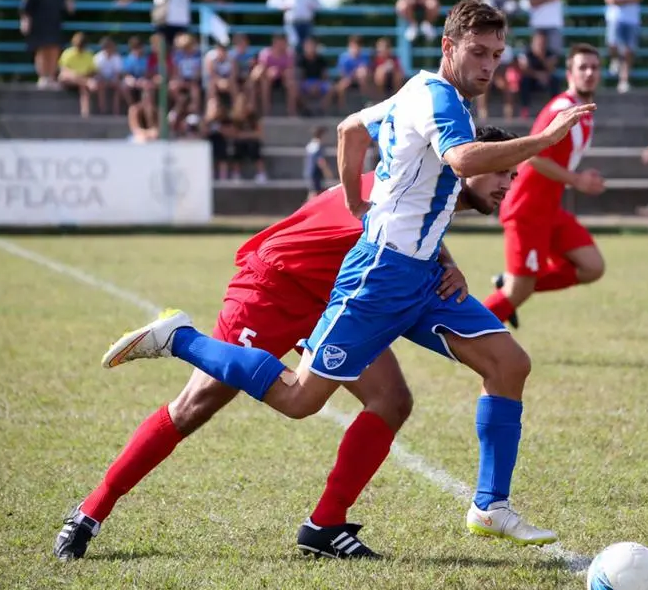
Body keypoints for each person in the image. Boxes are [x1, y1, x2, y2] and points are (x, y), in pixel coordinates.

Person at [93, 0, 595, 558]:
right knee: (295, 400)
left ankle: (486, 505)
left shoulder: (418, 96)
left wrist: (379, 217)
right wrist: (545, 140)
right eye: (479, 52)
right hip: (352, 279)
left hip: (416, 278)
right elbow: (458, 160)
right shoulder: (439, 101)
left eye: (497, 56)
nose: (489, 66)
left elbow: (351, 127)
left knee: (508, 364)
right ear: (449, 47)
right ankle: (179, 339)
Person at [53, 124, 518, 562]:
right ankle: (91, 509)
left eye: (513, 173)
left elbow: (415, 231)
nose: (508, 182)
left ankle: (325, 527)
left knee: (390, 400)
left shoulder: (428, 188)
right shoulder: (413, 184)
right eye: (500, 168)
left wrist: (447, 262)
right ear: (465, 162)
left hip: (337, 295)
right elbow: (388, 221)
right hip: (274, 283)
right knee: (198, 403)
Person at [484, 43, 606, 331]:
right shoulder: (561, 108)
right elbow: (534, 154)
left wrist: (577, 176)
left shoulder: (583, 111)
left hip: (549, 209)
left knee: (592, 267)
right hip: (527, 209)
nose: (589, 73)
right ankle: (461, 335)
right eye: (582, 67)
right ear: (569, 74)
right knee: (518, 291)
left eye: (594, 67)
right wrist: (576, 180)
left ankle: (509, 283)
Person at [20, 0, 74, 89]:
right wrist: (25, 21)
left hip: (54, 25)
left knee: (54, 51)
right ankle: (43, 77)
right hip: (39, 26)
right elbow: (25, 9)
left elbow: (65, 4)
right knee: (42, 52)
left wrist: (69, 4)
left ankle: (51, 76)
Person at [602, 0, 644, 94]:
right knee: (612, 44)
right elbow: (610, 0)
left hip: (632, 20)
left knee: (628, 51)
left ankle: (624, 80)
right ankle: (614, 60)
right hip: (615, 19)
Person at [251, 34, 298, 116]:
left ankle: (291, 111)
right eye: (279, 43)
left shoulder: (289, 54)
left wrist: (281, 72)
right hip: (267, 78)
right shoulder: (266, 53)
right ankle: (266, 110)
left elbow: (290, 69)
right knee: (265, 82)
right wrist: (270, 72)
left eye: (283, 43)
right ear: (274, 43)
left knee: (291, 83)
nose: (281, 46)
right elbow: (261, 68)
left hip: (282, 78)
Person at [517, 31, 559, 115]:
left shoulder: (550, 53)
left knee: (555, 80)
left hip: (545, 78)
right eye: (539, 41)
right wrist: (537, 75)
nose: (541, 43)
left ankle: (556, 108)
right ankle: (525, 108)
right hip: (532, 78)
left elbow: (551, 69)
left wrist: (542, 57)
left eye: (543, 41)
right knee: (524, 81)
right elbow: (523, 70)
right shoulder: (526, 53)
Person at [58, 32, 97, 118]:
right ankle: (86, 82)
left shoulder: (88, 54)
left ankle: (85, 114)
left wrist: (83, 77)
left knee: (84, 89)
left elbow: (92, 71)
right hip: (68, 80)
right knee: (69, 75)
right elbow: (63, 70)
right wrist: (80, 77)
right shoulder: (67, 53)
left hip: (82, 81)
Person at [229, 93, 266, 184]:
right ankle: (236, 173)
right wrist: (248, 135)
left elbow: (259, 133)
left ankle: (261, 173)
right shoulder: (235, 118)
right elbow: (234, 134)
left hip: (252, 141)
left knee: (254, 147)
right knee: (238, 147)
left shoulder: (253, 116)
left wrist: (245, 135)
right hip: (240, 141)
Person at [297, 37, 334, 116]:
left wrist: (317, 84)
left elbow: (325, 76)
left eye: (312, 45)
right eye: (308, 46)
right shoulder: (301, 60)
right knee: (296, 88)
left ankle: (321, 110)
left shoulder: (321, 60)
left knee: (330, 88)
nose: (310, 48)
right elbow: (300, 76)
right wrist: (309, 86)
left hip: (319, 82)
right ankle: (306, 109)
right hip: (305, 83)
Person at [335, 36, 372, 111]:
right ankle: (341, 108)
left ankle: (366, 102)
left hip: (360, 80)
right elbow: (342, 74)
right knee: (342, 86)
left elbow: (367, 72)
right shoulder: (344, 58)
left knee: (364, 79)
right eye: (353, 46)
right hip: (348, 79)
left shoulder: (364, 57)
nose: (355, 49)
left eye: (358, 46)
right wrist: (353, 75)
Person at [170, 33, 203, 114]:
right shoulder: (178, 56)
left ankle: (195, 110)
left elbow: (198, 72)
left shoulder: (198, 55)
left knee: (194, 88)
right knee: (172, 86)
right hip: (182, 79)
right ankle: (180, 103)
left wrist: (192, 80)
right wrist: (180, 80)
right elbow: (176, 71)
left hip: (193, 80)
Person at [92, 36, 124, 115]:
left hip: (112, 80)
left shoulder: (116, 57)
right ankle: (103, 110)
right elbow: (96, 72)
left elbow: (118, 73)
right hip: (101, 80)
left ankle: (116, 111)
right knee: (101, 85)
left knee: (118, 86)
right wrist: (104, 80)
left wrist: (114, 81)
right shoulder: (98, 57)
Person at [204, 96, 233, 180]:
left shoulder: (225, 119)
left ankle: (223, 177)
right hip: (208, 143)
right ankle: (209, 177)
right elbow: (202, 132)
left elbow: (231, 132)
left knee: (221, 151)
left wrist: (220, 129)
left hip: (221, 142)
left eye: (216, 106)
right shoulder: (206, 120)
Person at [304, 125, 333, 201]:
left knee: (312, 193)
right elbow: (320, 161)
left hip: (309, 172)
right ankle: (306, 211)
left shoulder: (311, 144)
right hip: (315, 174)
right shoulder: (319, 145)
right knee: (314, 194)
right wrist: (327, 172)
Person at [120, 36, 150, 107]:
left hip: (142, 79)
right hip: (132, 79)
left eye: (140, 47)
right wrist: (133, 80)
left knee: (147, 85)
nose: (139, 50)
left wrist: (142, 79)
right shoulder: (128, 59)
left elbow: (147, 73)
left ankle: (145, 106)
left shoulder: (145, 59)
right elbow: (125, 74)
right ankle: (132, 106)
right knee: (125, 86)